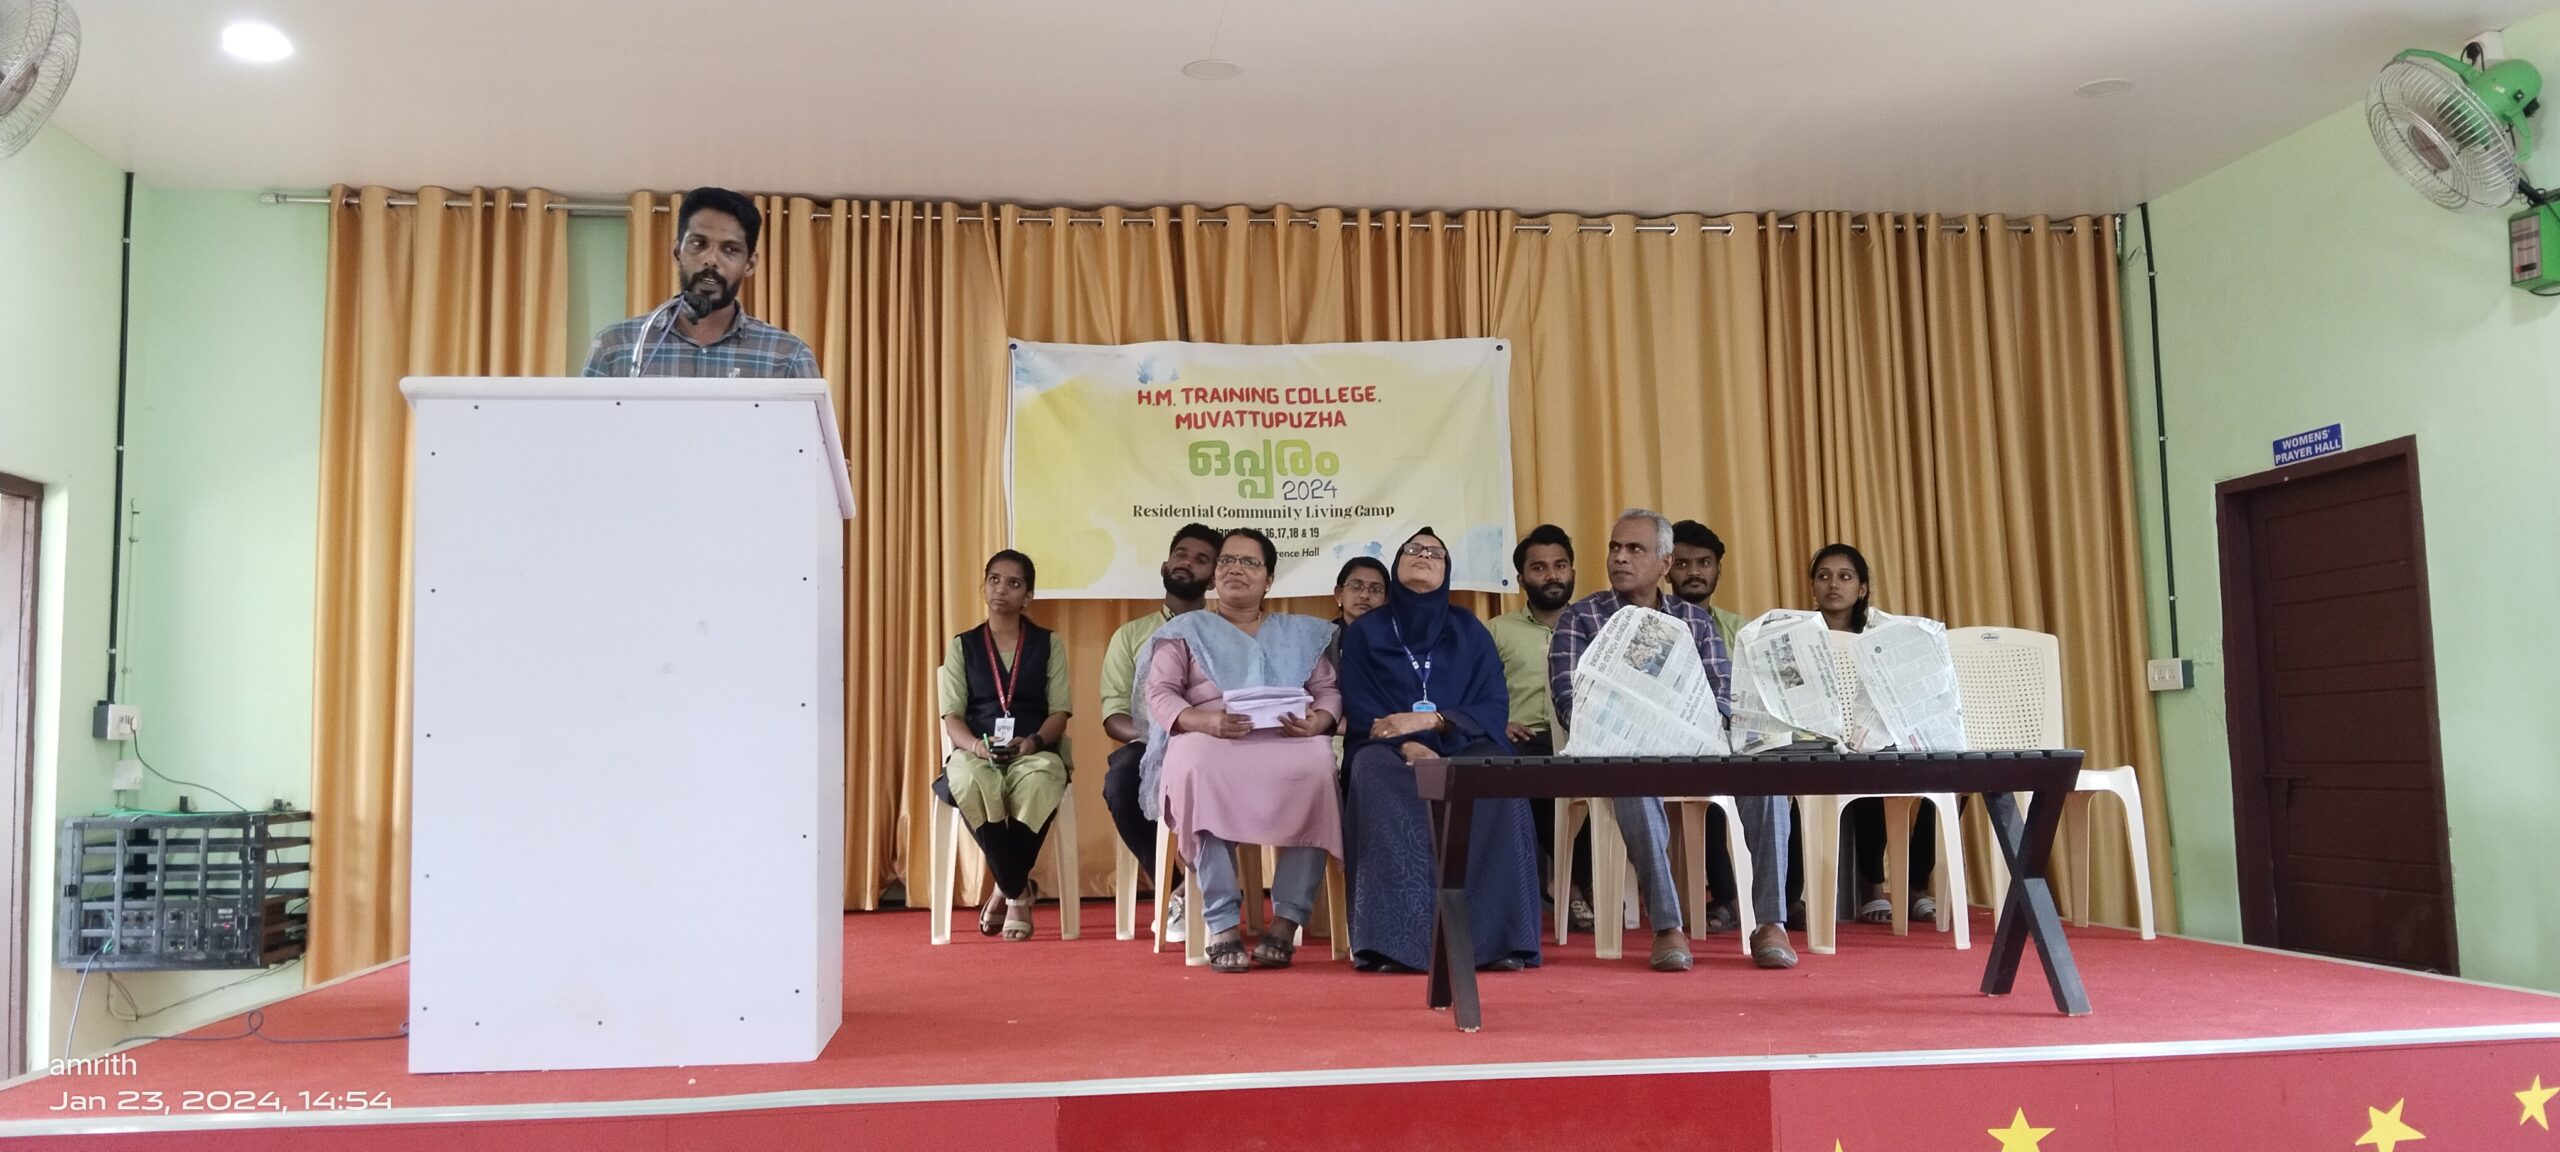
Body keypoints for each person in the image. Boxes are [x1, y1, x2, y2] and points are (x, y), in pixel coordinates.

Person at [1549, 510, 1798, 971]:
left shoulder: (1694, 622)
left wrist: (1702, 723)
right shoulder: (1580, 618)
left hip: (1695, 749)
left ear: (1664, 563)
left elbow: (1723, 695)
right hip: (1620, 751)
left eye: (1635, 549)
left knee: (1765, 775)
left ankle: (1770, 923)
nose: (1620, 558)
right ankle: (1668, 927)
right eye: (1615, 547)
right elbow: (1570, 702)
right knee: (1633, 773)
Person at [1140, 529, 1344, 973]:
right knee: (1198, 767)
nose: (1236, 569)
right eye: (1227, 560)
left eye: (1250, 562)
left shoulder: (1299, 633)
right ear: (1215, 574)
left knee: (1318, 765)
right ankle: (1221, 923)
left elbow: (1327, 692)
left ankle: (1287, 921)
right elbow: (1160, 693)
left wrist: (1318, 722)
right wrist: (1205, 721)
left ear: (1269, 580)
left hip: (1285, 739)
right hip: (1210, 739)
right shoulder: (1185, 631)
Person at [1341, 529, 1544, 973]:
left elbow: (1493, 703)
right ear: (1396, 564)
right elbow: (1359, 704)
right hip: (1387, 749)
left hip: (1461, 741)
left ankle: (1498, 940)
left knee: (1498, 770)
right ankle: (1395, 944)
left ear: (1446, 570)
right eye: (1413, 550)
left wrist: (1434, 722)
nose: (1424, 556)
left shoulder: (1468, 629)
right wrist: (1406, 742)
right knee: (1372, 772)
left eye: (1435, 553)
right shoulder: (1365, 633)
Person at [934, 551, 1071, 941]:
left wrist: (1034, 742)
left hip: (1032, 752)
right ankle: (1017, 894)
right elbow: (952, 717)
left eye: (1014, 583)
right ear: (983, 586)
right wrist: (977, 748)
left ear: (1028, 595)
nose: (1001, 589)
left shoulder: (1048, 643)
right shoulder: (963, 646)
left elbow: (1059, 712)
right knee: (967, 779)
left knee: (1043, 779)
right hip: (977, 752)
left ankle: (1005, 887)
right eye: (994, 579)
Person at [1099, 523, 1223, 942]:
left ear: (1214, 577)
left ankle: (1212, 887)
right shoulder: (1130, 636)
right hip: (1149, 744)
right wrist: (1160, 733)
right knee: (1120, 783)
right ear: (1165, 566)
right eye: (1181, 554)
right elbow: (1113, 714)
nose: (1187, 563)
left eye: (1201, 559)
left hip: (1213, 744)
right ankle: (1176, 891)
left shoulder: (1226, 632)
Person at [1811, 543, 1937, 925]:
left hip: (1878, 736)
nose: (1834, 584)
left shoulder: (1881, 636)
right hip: (1820, 744)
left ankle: (1917, 884)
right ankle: (1873, 886)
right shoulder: (1801, 636)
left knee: (1944, 774)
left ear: (1862, 588)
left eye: (1845, 577)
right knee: (1863, 765)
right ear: (1813, 586)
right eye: (1824, 576)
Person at [582, 187, 820, 379]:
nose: (711, 260)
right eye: (698, 244)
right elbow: (582, 426)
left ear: (749, 264)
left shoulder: (787, 357)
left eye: (730, 249)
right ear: (677, 251)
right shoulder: (616, 347)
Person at [1488, 524, 1595, 932]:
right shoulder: (1497, 631)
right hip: (1524, 736)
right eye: (1539, 568)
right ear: (1521, 579)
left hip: (1586, 736)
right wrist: (1499, 723)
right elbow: (1477, 691)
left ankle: (1576, 881)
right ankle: (1570, 883)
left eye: (1560, 565)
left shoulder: (1596, 626)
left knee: (1597, 774)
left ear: (1573, 571)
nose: (1552, 575)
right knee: (1532, 769)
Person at [1670, 519, 1749, 934]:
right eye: (1683, 563)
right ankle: (1727, 898)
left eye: (1704, 563)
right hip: (1675, 740)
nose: (1694, 572)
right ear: (1666, 568)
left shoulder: (1741, 630)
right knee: (1711, 779)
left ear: (1718, 569)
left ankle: (1784, 901)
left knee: (1784, 776)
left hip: (1737, 736)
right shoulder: (1652, 623)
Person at [1325, 556, 1390, 663]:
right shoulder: (1322, 640)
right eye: (1356, 586)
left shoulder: (1395, 640)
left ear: (1386, 599)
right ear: (1339, 594)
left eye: (1375, 589)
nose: (1365, 595)